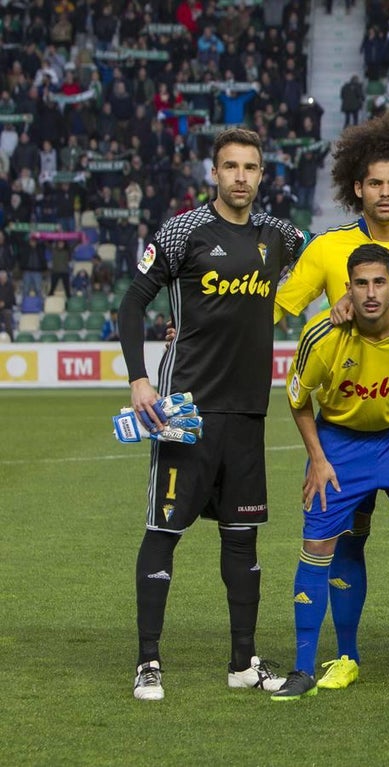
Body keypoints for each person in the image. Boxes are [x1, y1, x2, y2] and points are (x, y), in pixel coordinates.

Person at [274, 112, 389, 692]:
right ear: (357, 186)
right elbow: (278, 307)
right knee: (345, 536)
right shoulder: (330, 250)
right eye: (374, 183)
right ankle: (342, 656)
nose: (385, 193)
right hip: (343, 427)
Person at [118, 128, 304, 701]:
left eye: (250, 167)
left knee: (242, 537)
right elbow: (132, 302)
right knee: (163, 530)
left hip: (249, 411)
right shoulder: (184, 230)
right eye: (230, 167)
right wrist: (139, 378)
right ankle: (148, 661)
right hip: (187, 410)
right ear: (214, 173)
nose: (241, 177)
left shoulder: (280, 236)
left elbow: (333, 253)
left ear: (262, 174)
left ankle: (243, 662)